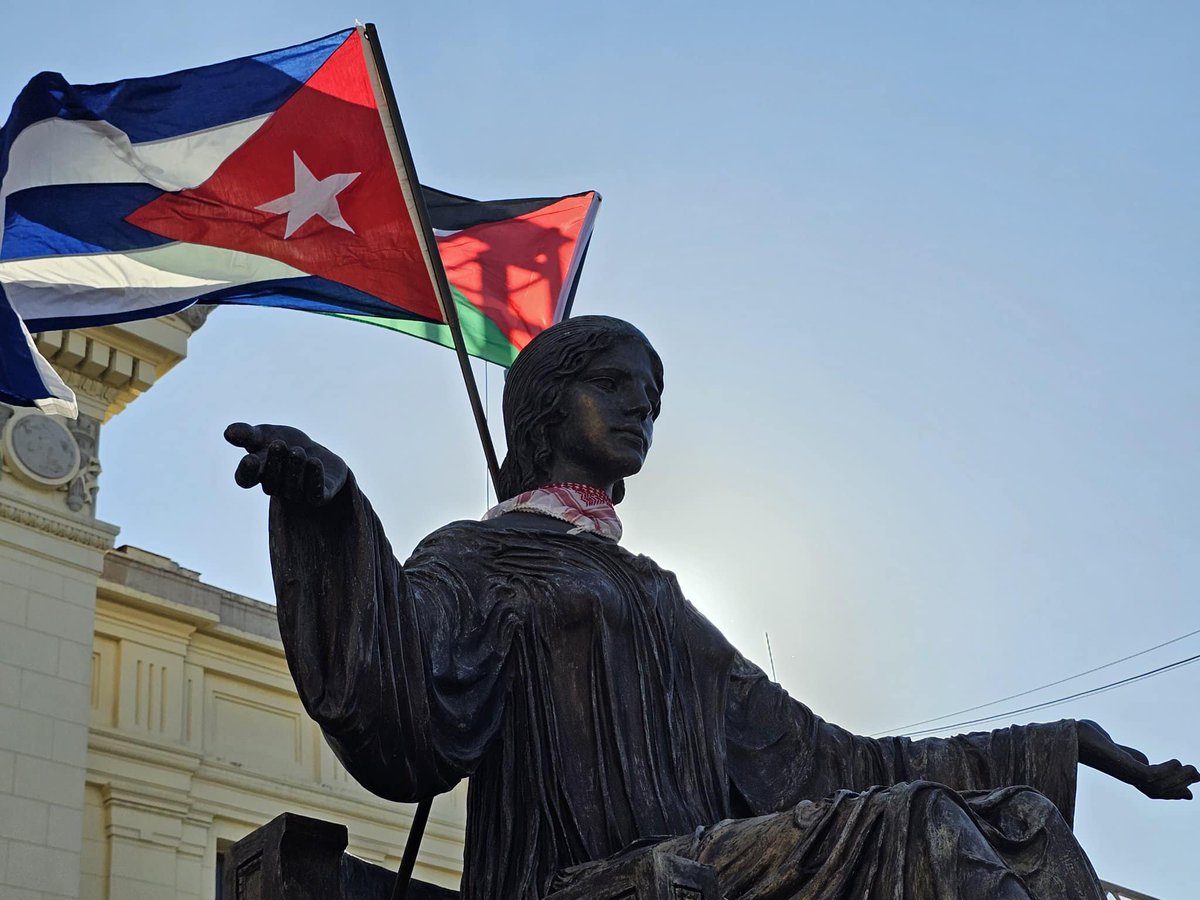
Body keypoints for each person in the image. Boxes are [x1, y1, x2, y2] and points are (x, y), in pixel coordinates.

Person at [225, 315, 1197, 900]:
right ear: (546, 407)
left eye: (652, 392)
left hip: (707, 871)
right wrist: (328, 516)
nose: (642, 406)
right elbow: (403, 710)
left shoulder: (660, 595)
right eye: (615, 384)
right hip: (585, 886)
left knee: (1018, 821)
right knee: (909, 830)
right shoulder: (481, 559)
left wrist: (1070, 744)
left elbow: (830, 761)